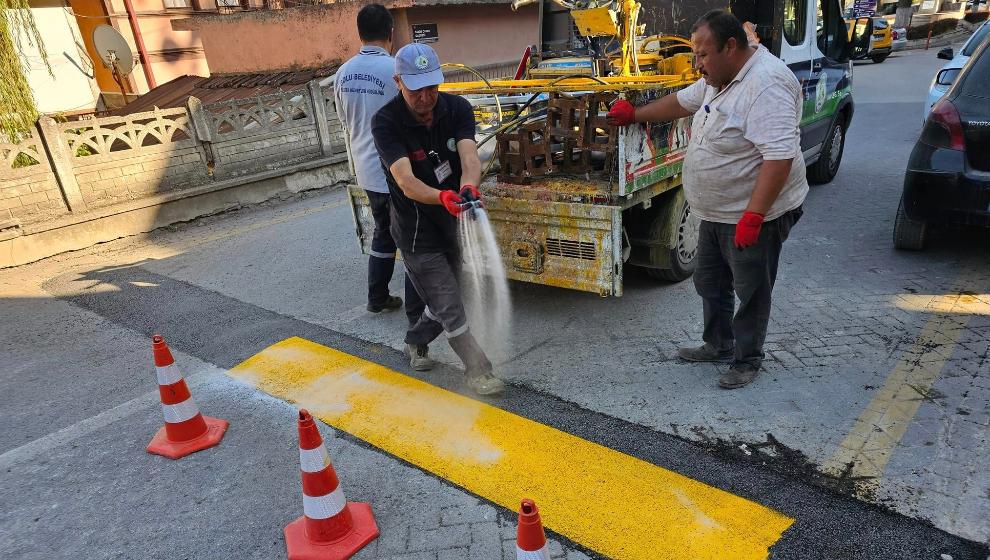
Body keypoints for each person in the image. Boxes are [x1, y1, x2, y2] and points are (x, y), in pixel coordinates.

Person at [607, 10, 807, 389]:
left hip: (752, 215)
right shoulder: (719, 76)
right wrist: (636, 115)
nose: (697, 63)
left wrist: (754, 215)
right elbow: (683, 103)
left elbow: (778, 157)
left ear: (730, 47)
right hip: (715, 211)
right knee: (710, 280)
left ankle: (747, 359)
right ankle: (717, 344)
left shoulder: (766, 85)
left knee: (751, 288)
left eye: (702, 55)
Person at [371, 43, 506, 396]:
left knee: (443, 300)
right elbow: (405, 180)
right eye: (417, 89)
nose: (426, 97)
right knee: (449, 303)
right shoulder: (385, 121)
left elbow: (469, 158)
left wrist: (468, 188)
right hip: (416, 230)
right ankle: (478, 370)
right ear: (398, 81)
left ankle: (415, 340)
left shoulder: (457, 108)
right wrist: (442, 196)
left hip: (454, 221)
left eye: (432, 87)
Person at [334, 4, 425, 325]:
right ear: (390, 33)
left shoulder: (342, 73)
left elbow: (345, 121)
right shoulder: (395, 69)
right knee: (413, 237)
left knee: (384, 232)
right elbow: (414, 118)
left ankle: (377, 297)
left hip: (366, 170)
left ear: (359, 34)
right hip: (399, 170)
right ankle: (420, 311)